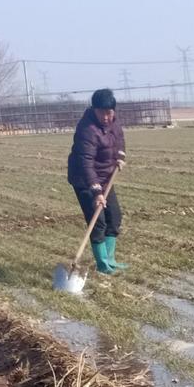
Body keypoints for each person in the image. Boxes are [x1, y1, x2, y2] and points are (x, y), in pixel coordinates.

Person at [68, 88, 128, 274]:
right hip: (84, 179)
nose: (106, 117)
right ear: (94, 110)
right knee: (98, 220)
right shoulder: (87, 130)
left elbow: (119, 140)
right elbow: (85, 162)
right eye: (101, 112)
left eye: (109, 112)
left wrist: (119, 156)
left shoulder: (114, 123)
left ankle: (110, 259)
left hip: (105, 177)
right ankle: (102, 264)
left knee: (114, 216)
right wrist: (96, 191)